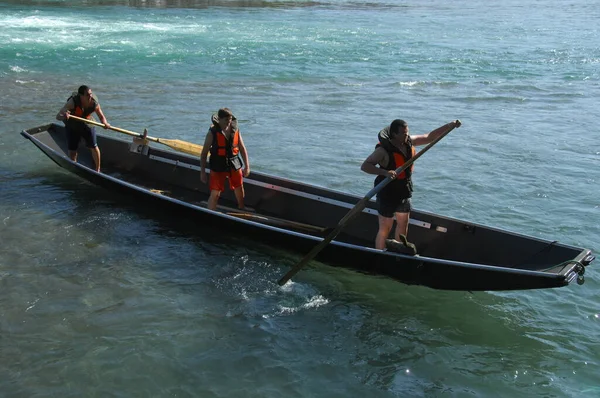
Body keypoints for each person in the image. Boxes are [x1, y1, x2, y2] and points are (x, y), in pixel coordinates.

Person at [361, 119, 461, 250]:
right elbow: (365, 166)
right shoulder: (383, 151)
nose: (406, 135)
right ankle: (379, 254)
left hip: (404, 190)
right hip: (387, 192)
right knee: (386, 228)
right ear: (394, 134)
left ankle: (398, 252)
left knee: (403, 224)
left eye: (407, 132)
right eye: (403, 133)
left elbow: (429, 137)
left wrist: (450, 125)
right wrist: (384, 172)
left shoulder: (409, 142)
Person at [200, 108, 250, 211]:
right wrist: (203, 172)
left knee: (239, 187)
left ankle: (242, 207)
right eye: (226, 120)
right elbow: (204, 153)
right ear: (219, 119)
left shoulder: (235, 129)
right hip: (218, 163)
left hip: (234, 162)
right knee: (215, 192)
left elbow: (242, 148)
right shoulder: (212, 132)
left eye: (230, 119)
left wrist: (247, 166)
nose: (228, 122)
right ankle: (211, 212)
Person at [56, 85, 110, 172]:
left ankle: (98, 169)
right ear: (81, 96)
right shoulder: (72, 102)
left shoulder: (94, 103)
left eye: (91, 94)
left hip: (87, 122)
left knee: (94, 146)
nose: (90, 97)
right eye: (87, 95)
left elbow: (101, 116)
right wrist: (65, 116)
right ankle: (74, 166)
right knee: (72, 149)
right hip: (73, 124)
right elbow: (58, 116)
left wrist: (105, 123)